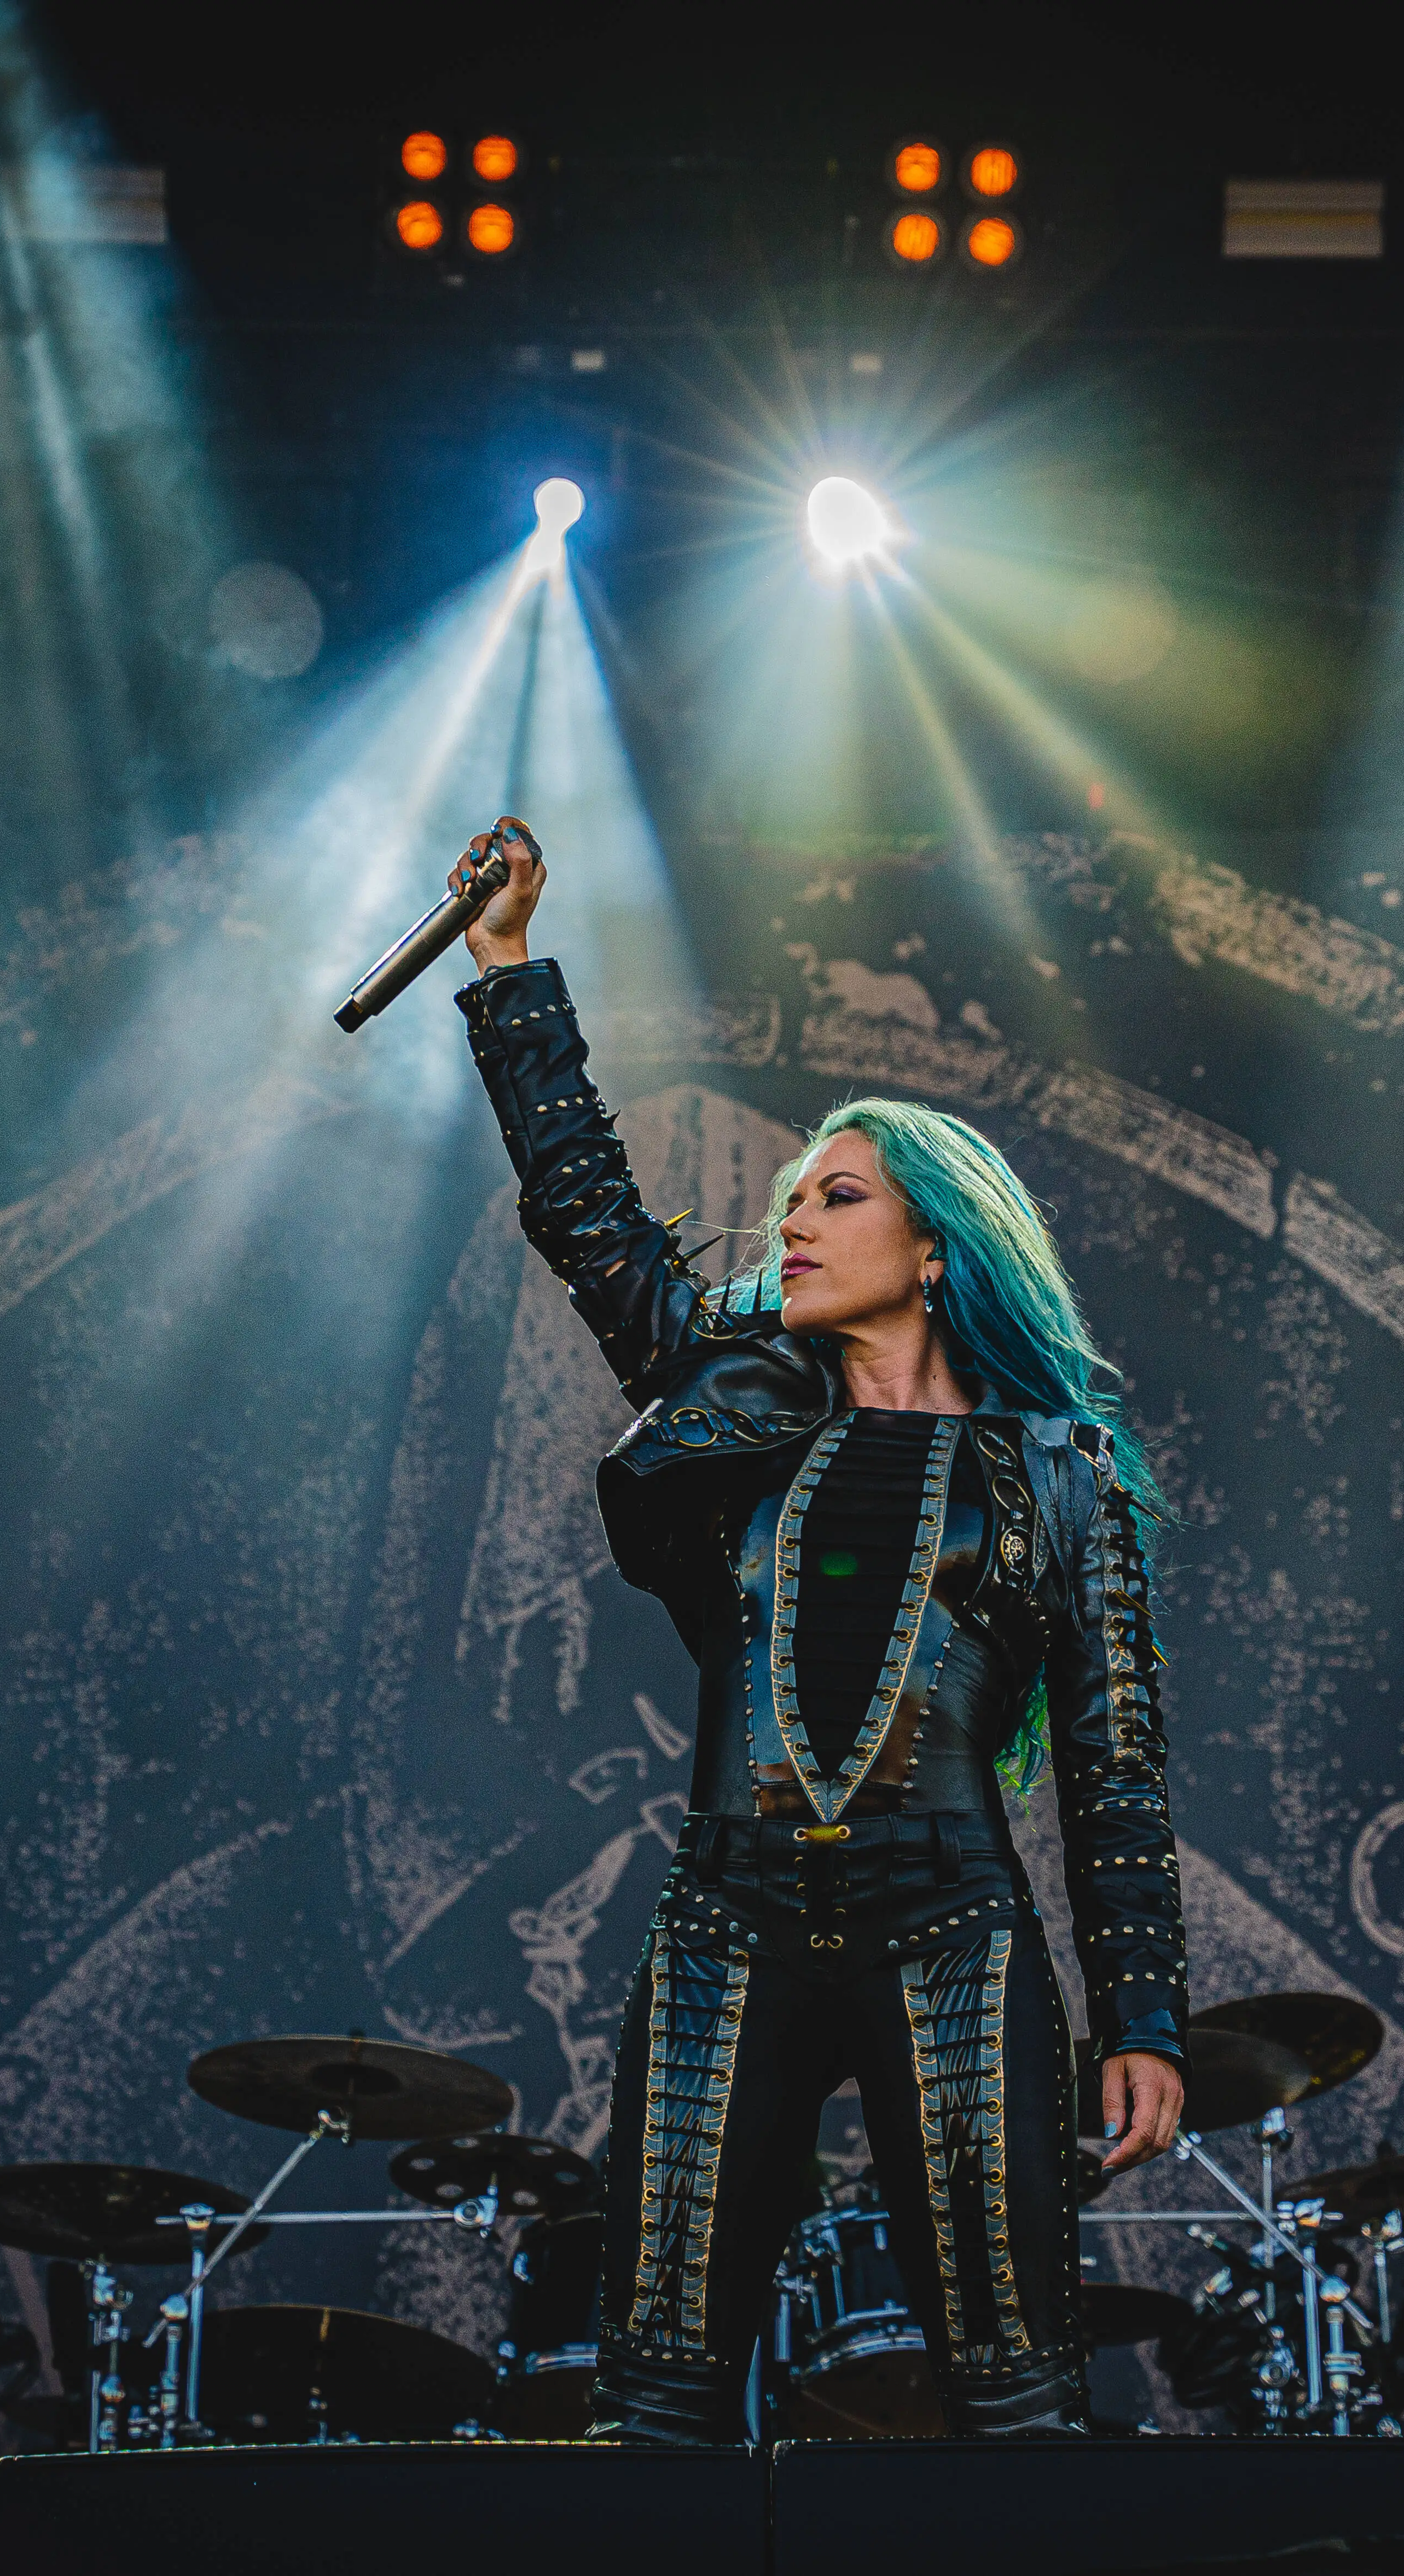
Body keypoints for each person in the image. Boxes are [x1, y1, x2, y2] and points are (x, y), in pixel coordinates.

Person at [446, 817, 1191, 2444]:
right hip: (732, 1916)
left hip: (956, 1932)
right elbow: (593, 1219)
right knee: (654, 2404)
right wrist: (507, 967)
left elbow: (1117, 1769)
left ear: (933, 1245)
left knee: (1019, 2398)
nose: (791, 1218)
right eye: (787, 1198)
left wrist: (1143, 2017)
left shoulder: (1060, 1478)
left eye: (835, 1195)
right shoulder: (736, 1404)